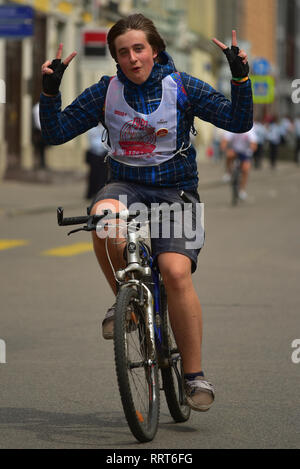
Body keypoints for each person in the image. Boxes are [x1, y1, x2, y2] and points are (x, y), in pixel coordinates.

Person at [40, 14, 253, 413]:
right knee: (103, 215)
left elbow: (239, 122)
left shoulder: (183, 87)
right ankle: (125, 299)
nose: (133, 58)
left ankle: (193, 376)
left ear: (155, 49)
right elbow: (54, 133)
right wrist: (50, 92)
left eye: (139, 48)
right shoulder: (106, 92)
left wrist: (240, 78)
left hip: (176, 192)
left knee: (174, 272)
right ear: (116, 59)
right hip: (126, 186)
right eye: (123, 52)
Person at [221, 128, 258, 200]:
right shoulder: (233, 127)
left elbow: (254, 144)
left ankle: (242, 190)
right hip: (235, 150)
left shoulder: (249, 130)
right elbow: (224, 141)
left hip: (245, 152)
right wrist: (225, 149)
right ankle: (228, 172)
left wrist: (250, 150)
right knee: (229, 155)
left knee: (245, 169)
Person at [85, 123, 108, 200]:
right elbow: (92, 141)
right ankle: (91, 193)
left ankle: (100, 192)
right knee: (93, 174)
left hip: (104, 154)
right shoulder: (92, 129)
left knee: (103, 175)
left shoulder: (105, 129)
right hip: (94, 154)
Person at [32, 102, 48, 169]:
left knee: (41, 148)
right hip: (39, 130)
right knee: (39, 148)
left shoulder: (37, 107)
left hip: (39, 129)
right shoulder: (37, 108)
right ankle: (39, 163)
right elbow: (37, 120)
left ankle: (41, 163)